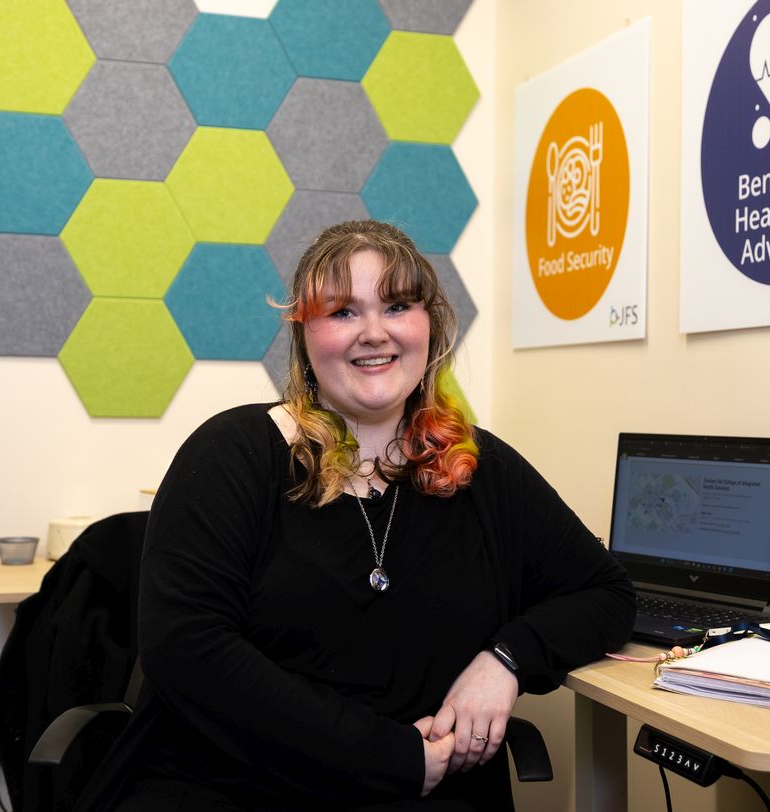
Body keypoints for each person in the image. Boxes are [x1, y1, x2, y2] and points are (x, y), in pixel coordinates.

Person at [79, 220, 635, 811]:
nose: (374, 333)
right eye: (342, 312)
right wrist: (387, 757)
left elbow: (605, 594)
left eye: (397, 306)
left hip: (428, 792)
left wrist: (505, 661)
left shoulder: (477, 466)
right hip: (234, 785)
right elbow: (185, 649)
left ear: (430, 326)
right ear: (305, 336)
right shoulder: (233, 454)